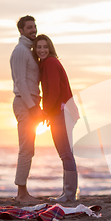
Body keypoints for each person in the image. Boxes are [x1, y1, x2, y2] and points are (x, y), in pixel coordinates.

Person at [32, 34, 80, 202]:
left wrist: (45, 112)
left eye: (45, 47)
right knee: (65, 153)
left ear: (50, 48)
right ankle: (67, 193)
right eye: (39, 47)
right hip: (60, 112)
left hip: (62, 112)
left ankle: (69, 194)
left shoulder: (51, 63)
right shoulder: (47, 63)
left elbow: (53, 91)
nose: (42, 50)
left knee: (65, 153)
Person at [10, 15, 44, 203]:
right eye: (29, 27)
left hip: (30, 103)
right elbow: (20, 82)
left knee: (28, 149)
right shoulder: (20, 51)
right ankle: (22, 194)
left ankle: (23, 192)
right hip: (24, 103)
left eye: (34, 26)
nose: (33, 30)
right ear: (21, 30)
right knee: (26, 149)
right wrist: (32, 107)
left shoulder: (29, 50)